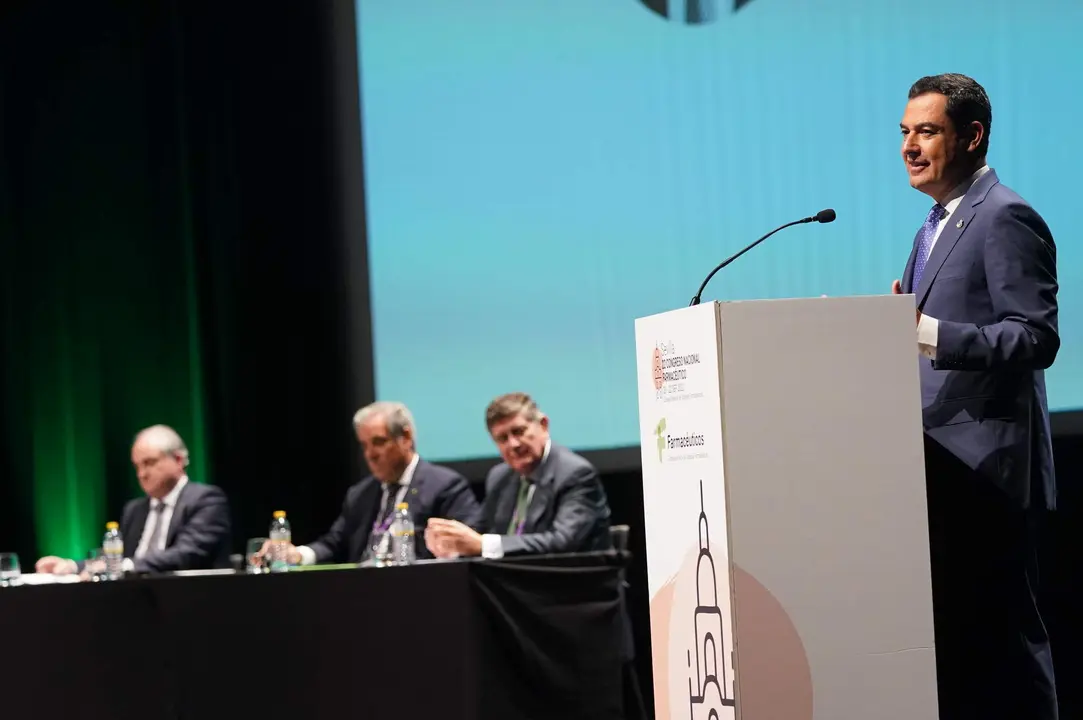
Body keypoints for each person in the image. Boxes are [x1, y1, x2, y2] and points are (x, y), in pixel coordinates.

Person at [895, 73, 1058, 719]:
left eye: (925, 131)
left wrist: (926, 332)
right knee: (962, 647)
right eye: (904, 132)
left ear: (971, 136)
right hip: (936, 468)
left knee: (1007, 644)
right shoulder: (933, 224)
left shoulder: (1004, 216)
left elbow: (1033, 338)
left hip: (987, 468)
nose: (909, 146)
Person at [276, 401, 481, 565]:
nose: (370, 454)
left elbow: (465, 546)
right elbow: (333, 543)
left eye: (379, 442)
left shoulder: (445, 486)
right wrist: (298, 555)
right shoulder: (360, 494)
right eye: (364, 445)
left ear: (406, 437)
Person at [426, 392, 611, 558]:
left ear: (544, 426)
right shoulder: (500, 477)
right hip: (517, 584)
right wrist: (451, 540)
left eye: (519, 432)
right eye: (502, 438)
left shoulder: (574, 474)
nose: (513, 444)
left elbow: (562, 542)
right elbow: (479, 529)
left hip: (573, 585)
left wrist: (484, 544)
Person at [35, 424, 233, 576]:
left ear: (178, 460)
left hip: (188, 599)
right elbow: (116, 556)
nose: (142, 474)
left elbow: (186, 554)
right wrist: (72, 566)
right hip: (134, 598)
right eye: (137, 466)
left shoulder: (207, 500)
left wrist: (125, 566)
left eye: (149, 463)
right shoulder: (135, 509)